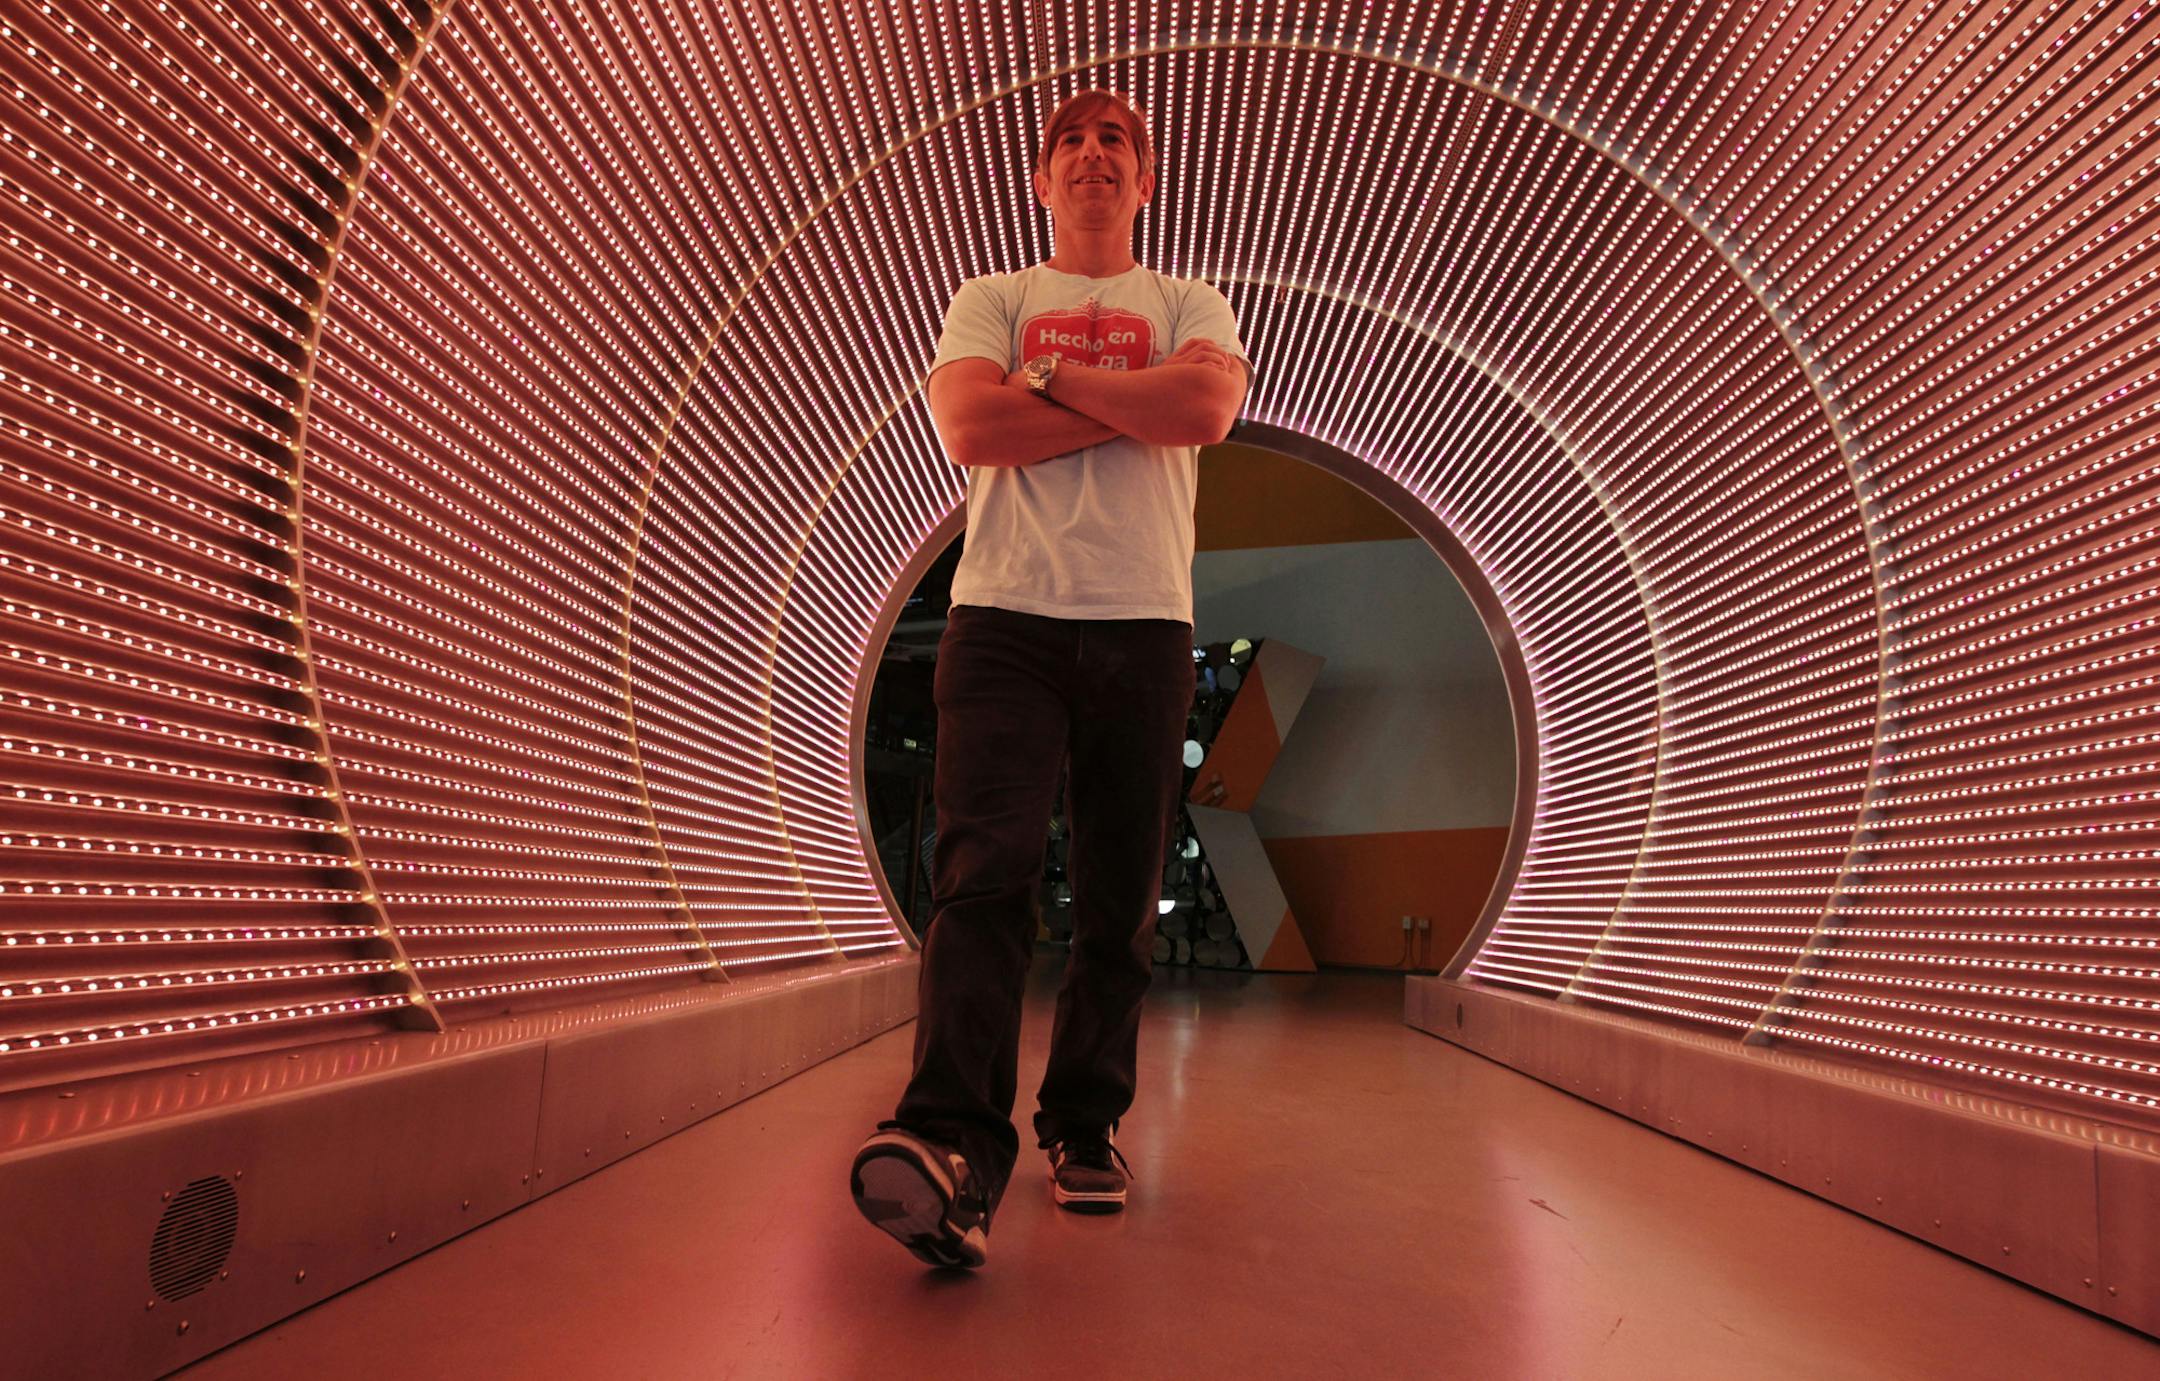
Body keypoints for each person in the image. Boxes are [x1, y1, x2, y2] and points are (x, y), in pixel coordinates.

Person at [849, 88, 1252, 1269]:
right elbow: (970, 431)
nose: (1092, 153)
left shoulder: (1187, 301)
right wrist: (1127, 407)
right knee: (983, 882)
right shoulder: (994, 298)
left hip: (1143, 625)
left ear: (1147, 178)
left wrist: (1050, 387)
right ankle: (950, 1146)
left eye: (1114, 139)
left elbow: (1207, 405)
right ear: (1041, 180)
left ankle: (1086, 1123)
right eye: (1071, 140)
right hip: (1005, 619)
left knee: (1121, 902)